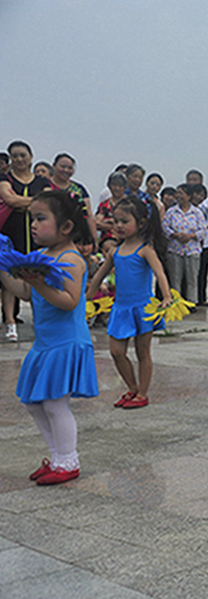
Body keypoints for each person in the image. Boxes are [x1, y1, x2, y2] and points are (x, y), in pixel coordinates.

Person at [1, 190, 97, 484]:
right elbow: (26, 293)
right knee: (32, 402)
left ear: (66, 227)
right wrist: (5, 269)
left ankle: (68, 461)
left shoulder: (72, 259)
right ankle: (57, 457)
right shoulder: (40, 256)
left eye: (40, 218)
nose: (33, 224)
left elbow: (69, 301)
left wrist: (38, 283)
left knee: (55, 405)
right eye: (32, 218)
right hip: (45, 344)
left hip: (66, 342)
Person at [87, 196, 172, 409]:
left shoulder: (145, 249)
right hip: (121, 309)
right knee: (116, 352)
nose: (119, 226)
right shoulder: (114, 251)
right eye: (116, 221)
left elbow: (160, 273)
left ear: (141, 223)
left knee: (143, 353)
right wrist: (86, 298)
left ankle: (142, 393)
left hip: (143, 308)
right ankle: (132, 387)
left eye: (125, 221)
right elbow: (99, 275)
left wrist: (166, 296)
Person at [0, 141, 52, 341]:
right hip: (12, 232)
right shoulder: (5, 178)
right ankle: (10, 322)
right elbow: (9, 199)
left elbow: (48, 202)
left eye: (23, 155)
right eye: (15, 156)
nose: (19, 159)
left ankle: (39, 318)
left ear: (31, 157)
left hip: (37, 234)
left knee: (38, 275)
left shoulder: (41, 181)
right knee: (9, 277)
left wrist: (24, 202)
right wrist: (36, 201)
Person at [162, 183, 207, 303]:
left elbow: (203, 230)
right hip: (175, 250)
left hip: (192, 251)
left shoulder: (197, 212)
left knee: (192, 279)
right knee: (175, 279)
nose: (178, 196)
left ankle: (191, 302)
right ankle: (176, 303)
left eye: (181, 193)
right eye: (177, 193)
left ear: (188, 196)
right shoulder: (171, 212)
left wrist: (190, 236)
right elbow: (165, 227)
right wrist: (176, 235)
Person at [49, 153, 98, 249]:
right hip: (50, 233)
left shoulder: (79, 189)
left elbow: (88, 214)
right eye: (63, 166)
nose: (66, 170)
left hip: (74, 236)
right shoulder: (44, 184)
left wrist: (94, 239)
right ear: (54, 166)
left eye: (70, 168)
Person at [191, 183, 208, 307]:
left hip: (204, 245)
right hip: (191, 245)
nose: (198, 197)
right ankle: (192, 298)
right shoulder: (187, 208)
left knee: (203, 272)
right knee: (191, 274)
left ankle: (202, 298)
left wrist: (206, 200)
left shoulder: (204, 206)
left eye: (201, 195)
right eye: (196, 194)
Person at [95, 172, 128, 257]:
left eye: (120, 186)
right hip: (108, 238)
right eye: (114, 185)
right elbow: (98, 224)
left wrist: (109, 222)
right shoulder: (104, 204)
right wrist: (113, 225)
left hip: (127, 238)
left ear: (125, 187)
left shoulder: (130, 203)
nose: (117, 188)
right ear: (109, 186)